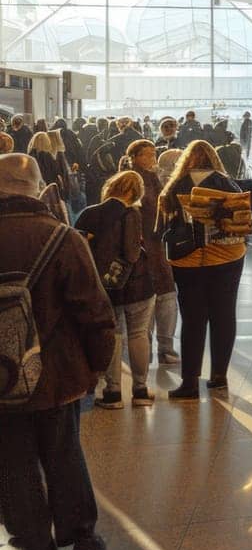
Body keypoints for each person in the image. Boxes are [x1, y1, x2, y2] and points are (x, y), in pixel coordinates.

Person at [0, 153, 115, 550]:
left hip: (3, 377)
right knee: (64, 453)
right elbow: (94, 311)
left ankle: (31, 544)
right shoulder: (61, 237)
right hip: (57, 373)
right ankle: (82, 538)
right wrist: (98, 365)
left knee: (13, 463)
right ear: (35, 186)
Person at [160, 140, 251, 400]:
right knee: (224, 314)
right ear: (214, 157)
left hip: (188, 260)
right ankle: (219, 376)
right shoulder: (226, 182)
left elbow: (164, 216)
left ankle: (189, 382)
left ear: (187, 159)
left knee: (192, 319)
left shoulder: (177, 184)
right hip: (227, 257)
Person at [75, 169, 156, 409]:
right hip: (140, 285)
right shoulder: (136, 214)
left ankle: (113, 393)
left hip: (106, 286)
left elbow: (78, 249)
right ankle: (140, 391)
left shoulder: (90, 214)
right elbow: (137, 251)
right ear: (136, 192)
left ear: (110, 187)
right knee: (139, 334)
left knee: (114, 335)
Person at [127, 140, 179, 366]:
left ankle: (163, 347)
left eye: (153, 153)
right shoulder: (132, 180)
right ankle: (149, 349)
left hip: (156, 247)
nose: (152, 158)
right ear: (135, 157)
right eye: (147, 154)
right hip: (142, 247)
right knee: (148, 299)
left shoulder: (152, 177)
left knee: (165, 296)